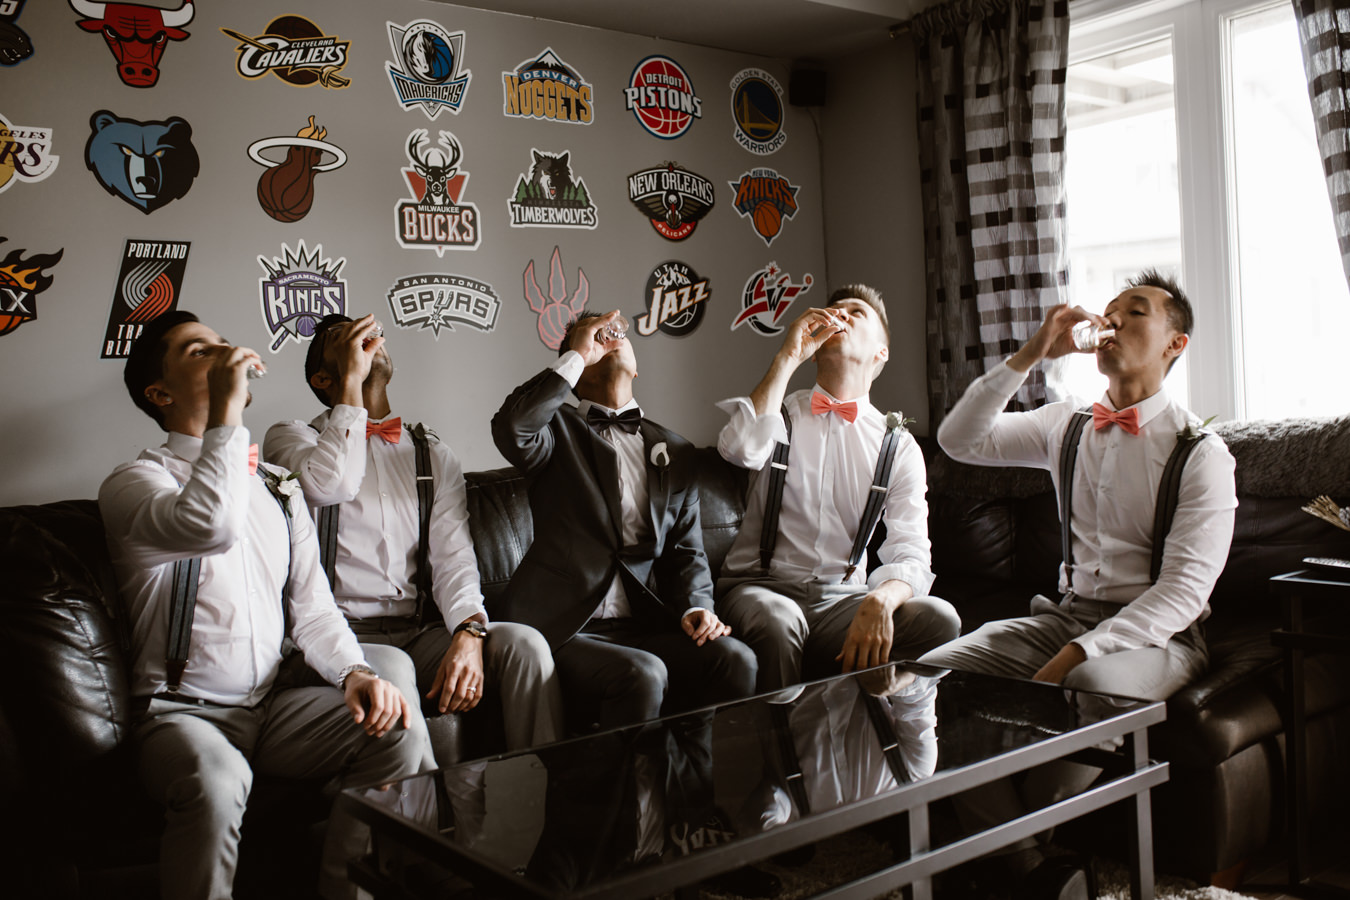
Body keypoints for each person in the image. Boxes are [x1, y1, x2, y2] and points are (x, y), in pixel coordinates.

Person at [920, 270, 1238, 897]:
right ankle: (1026, 867)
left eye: (1136, 312)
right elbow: (958, 440)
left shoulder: (1201, 453)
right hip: (1064, 616)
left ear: (1175, 344)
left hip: (1161, 637)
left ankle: (1007, 858)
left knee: (1091, 681)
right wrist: (1033, 352)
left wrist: (1081, 651)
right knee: (930, 677)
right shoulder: (1063, 425)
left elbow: (1183, 593)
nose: (1112, 320)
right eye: (1110, 310)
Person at [98, 311, 426, 900]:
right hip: (181, 717)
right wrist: (226, 411)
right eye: (201, 352)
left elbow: (314, 608)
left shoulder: (278, 485)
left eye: (224, 345)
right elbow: (210, 525)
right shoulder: (134, 483)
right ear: (160, 394)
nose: (226, 355)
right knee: (220, 779)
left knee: (397, 726)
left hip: (271, 712)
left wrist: (353, 673)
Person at [265, 313, 562, 758]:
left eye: (368, 334)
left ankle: (539, 789)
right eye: (340, 338)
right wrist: (353, 382)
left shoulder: (432, 454)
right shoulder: (292, 439)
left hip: (416, 631)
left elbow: (454, 560)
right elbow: (329, 484)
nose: (364, 339)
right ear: (322, 378)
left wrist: (469, 632)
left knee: (526, 646)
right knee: (394, 668)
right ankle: (417, 803)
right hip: (335, 639)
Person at [490, 308, 757, 730]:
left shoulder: (676, 450)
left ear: (636, 367)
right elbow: (511, 428)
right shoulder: (552, 432)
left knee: (735, 660)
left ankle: (694, 774)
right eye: (596, 338)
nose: (609, 340)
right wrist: (577, 355)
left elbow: (686, 551)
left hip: (643, 625)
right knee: (642, 675)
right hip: (565, 629)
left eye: (617, 335)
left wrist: (697, 607)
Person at [715, 284, 961, 693]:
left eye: (856, 312)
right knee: (779, 622)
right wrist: (788, 356)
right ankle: (783, 729)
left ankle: (878, 691)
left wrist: (880, 599)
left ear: (881, 352)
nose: (839, 315)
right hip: (759, 590)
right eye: (834, 309)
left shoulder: (897, 446)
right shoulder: (779, 413)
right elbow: (737, 449)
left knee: (941, 620)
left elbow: (911, 552)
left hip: (841, 601)